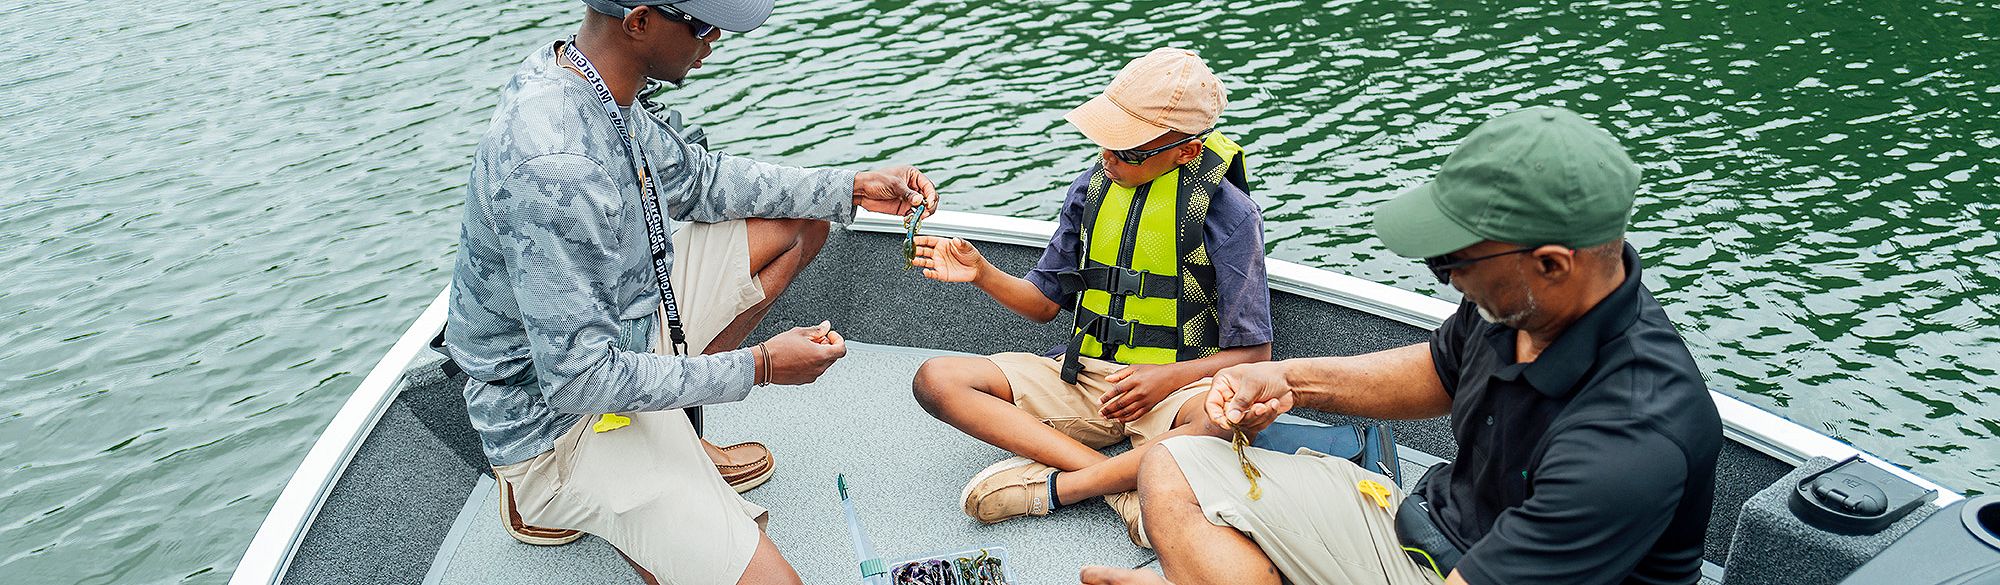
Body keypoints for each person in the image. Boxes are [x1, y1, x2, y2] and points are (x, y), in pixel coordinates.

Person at [1079, 106, 1723, 585]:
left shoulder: (1628, 442)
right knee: (1176, 463)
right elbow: (1437, 370)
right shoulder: (1522, 305)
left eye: (1452, 263)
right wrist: (1286, 381)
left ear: (1553, 264)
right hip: (1430, 532)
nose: (1447, 279)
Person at [442, 0, 938, 583]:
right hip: (559, 420)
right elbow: (581, 380)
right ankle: (542, 493)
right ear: (640, 21)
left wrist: (850, 187)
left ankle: (672, 436)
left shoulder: (590, 77)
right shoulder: (556, 168)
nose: (718, 37)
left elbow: (698, 181)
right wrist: (760, 367)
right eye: (702, 24)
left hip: (626, 331)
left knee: (804, 221)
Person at [908, 48, 1272, 548]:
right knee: (938, 380)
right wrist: (982, 273)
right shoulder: (1091, 190)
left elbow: (1255, 356)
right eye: (1104, 142)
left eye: (1126, 151)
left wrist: (1164, 378)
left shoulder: (1230, 216)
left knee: (1223, 419)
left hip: (1181, 390)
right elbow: (1043, 304)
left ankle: (1063, 486)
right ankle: (1120, 487)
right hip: (1090, 380)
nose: (1107, 159)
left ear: (1185, 151)